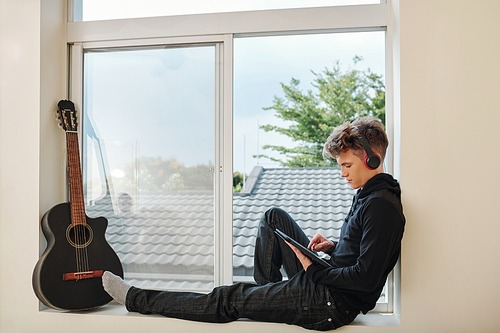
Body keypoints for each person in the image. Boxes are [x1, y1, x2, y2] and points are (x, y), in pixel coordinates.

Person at [102, 117, 405, 331]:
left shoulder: (381, 206)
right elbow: (367, 250)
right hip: (325, 284)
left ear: (372, 160)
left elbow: (365, 280)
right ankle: (270, 299)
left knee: (228, 298)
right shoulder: (370, 195)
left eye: (347, 165)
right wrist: (334, 247)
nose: (342, 174)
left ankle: (135, 298)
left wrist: (314, 269)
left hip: (329, 303)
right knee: (274, 218)